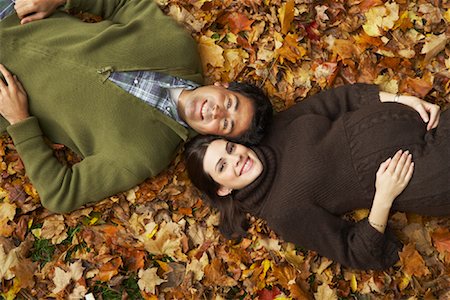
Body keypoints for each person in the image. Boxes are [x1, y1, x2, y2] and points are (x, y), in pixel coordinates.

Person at [0, 0, 273, 213]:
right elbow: (123, 4)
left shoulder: (144, 155)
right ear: (223, 87)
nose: (217, 111)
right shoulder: (176, 47)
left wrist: (20, 122)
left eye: (226, 123)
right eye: (229, 103)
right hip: (14, 12)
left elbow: (60, 193)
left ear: (216, 136)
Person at [183, 83, 450, 270]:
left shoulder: (273, 131)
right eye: (222, 167)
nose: (236, 159)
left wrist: (402, 100)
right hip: (426, 170)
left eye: (230, 148)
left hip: (426, 123)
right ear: (222, 189)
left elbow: (338, 101)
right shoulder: (282, 212)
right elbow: (353, 251)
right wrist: (384, 197)